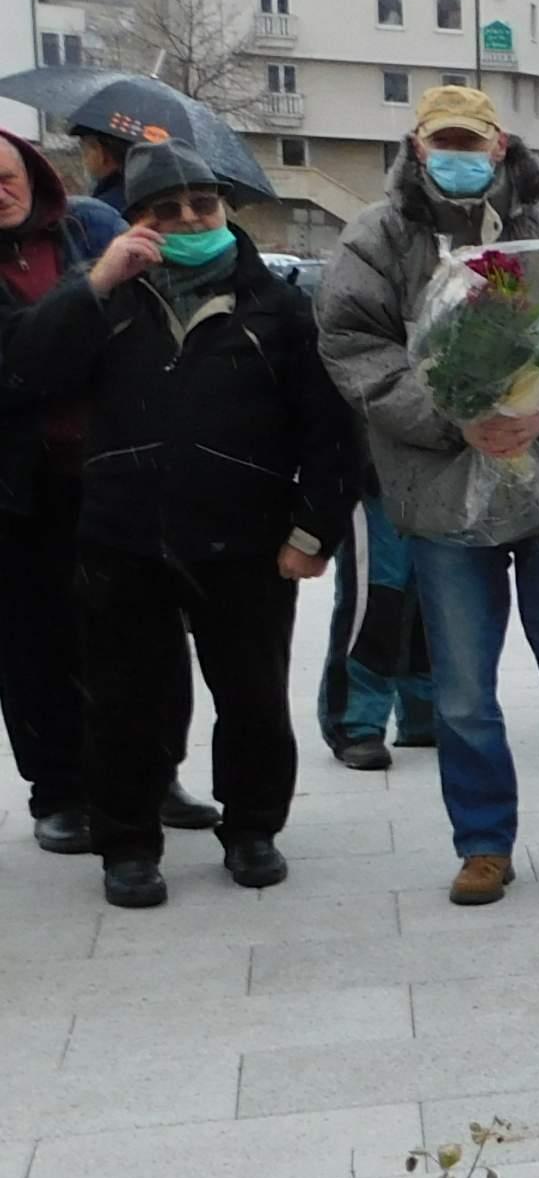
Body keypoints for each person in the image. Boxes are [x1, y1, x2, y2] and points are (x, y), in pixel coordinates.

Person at [317, 85, 539, 906]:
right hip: (442, 494)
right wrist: (450, 417)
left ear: (501, 148)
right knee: (464, 691)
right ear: (418, 147)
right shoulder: (377, 239)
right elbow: (351, 345)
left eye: (474, 142)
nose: (459, 156)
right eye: (443, 143)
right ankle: (482, 843)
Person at [2, 144, 359, 908]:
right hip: (122, 537)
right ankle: (128, 843)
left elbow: (330, 430)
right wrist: (95, 281)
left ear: (225, 210)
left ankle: (254, 827)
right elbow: (25, 370)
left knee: (254, 695)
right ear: (137, 223)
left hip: (245, 536)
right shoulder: (103, 300)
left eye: (202, 204)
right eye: (167, 210)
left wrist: (312, 532)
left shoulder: (279, 307)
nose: (189, 219)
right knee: (124, 702)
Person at [0, 127, 184, 858]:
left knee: (151, 638)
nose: (2, 189)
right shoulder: (93, 257)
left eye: (8, 172)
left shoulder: (87, 225)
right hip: (21, 485)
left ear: (32, 171)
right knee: (36, 644)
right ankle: (61, 791)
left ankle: (157, 774)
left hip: (118, 469)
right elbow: (17, 359)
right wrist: (96, 285)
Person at [315, 460, 435, 771]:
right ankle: (355, 723)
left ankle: (425, 713)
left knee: (433, 598)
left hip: (443, 472)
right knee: (375, 599)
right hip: (374, 472)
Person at [68, 123, 129, 214]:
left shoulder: (101, 210)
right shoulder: (135, 193)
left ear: (103, 154)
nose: (84, 156)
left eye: (86, 148)